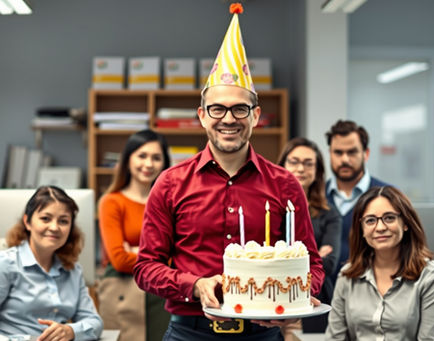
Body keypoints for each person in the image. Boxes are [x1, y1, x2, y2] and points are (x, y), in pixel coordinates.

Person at [134, 3, 324, 341]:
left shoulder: (285, 185)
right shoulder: (170, 183)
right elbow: (146, 267)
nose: (229, 118)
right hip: (189, 332)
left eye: (240, 108)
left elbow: (311, 262)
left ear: (255, 115)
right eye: (218, 108)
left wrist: (294, 299)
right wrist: (194, 285)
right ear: (202, 115)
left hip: (262, 334)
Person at [326, 186, 434, 340]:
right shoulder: (347, 275)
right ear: (362, 229)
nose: (380, 227)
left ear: (405, 223)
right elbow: (334, 338)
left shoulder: (431, 276)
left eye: (389, 217)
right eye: (370, 220)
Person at [0, 186, 103, 340]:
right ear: (27, 222)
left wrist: (70, 331)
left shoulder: (73, 270)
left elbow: (95, 322)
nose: (54, 227)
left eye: (63, 221)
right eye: (45, 218)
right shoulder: (6, 264)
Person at [97, 129, 171, 341]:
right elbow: (119, 260)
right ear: (128, 159)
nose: (148, 164)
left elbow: (179, 255)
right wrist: (160, 258)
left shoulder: (168, 203)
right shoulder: (111, 202)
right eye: (142, 156)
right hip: (123, 292)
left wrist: (136, 251)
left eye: (156, 158)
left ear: (164, 163)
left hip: (161, 295)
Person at [277, 137, 341, 336]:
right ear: (282, 166)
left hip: (313, 301)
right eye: (294, 161)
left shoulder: (329, 212)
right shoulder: (269, 207)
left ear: (318, 171)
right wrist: (311, 256)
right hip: (270, 299)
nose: (301, 168)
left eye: (308, 163)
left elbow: (328, 264)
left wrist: (282, 260)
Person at [325, 119, 389, 281]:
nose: (345, 159)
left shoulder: (388, 197)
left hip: (372, 295)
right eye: (338, 152)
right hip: (322, 298)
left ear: (365, 154)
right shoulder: (314, 197)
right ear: (330, 153)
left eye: (352, 152)